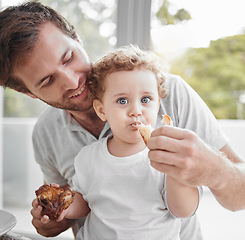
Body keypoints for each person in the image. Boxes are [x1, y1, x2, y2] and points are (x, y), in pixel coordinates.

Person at [0, 1, 244, 239]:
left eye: (68, 57)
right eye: (47, 81)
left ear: (77, 38)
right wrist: (52, 220)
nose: (72, 82)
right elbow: (73, 204)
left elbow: (239, 196)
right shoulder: (47, 133)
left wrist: (213, 170)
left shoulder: (168, 93)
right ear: (28, 93)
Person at [50, 45, 201, 240]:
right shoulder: (88, 157)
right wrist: (63, 206)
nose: (136, 110)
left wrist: (174, 170)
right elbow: (84, 202)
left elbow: (183, 210)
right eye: (122, 101)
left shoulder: (167, 153)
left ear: (158, 106)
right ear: (102, 110)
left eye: (146, 99)